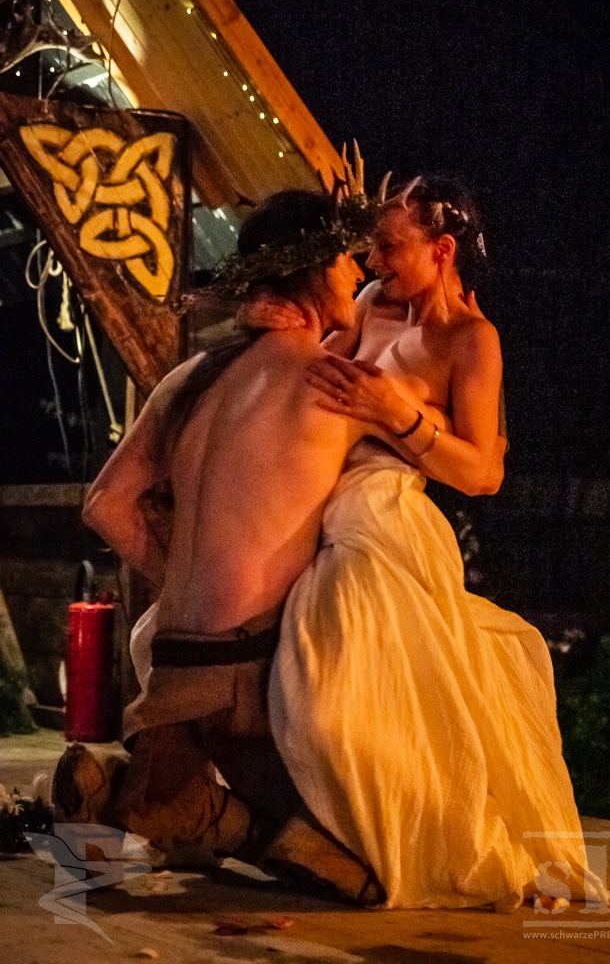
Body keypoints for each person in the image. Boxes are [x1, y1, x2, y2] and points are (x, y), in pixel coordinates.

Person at [251, 175, 608, 911]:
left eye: (390, 246)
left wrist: (398, 415)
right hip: (310, 499)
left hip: (381, 513)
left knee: (329, 700)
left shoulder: (470, 340)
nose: (373, 260)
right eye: (372, 247)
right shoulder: (365, 305)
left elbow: (482, 472)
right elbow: (314, 370)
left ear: (441, 250)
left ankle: (396, 841)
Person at [59, 188, 398, 902]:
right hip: (249, 679)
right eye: (344, 257)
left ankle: (134, 792)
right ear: (310, 267)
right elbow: (475, 469)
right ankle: (169, 804)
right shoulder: (337, 383)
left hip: (171, 662)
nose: (356, 271)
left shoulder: (189, 378)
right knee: (368, 866)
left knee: (246, 821)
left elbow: (104, 506)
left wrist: (184, 577)